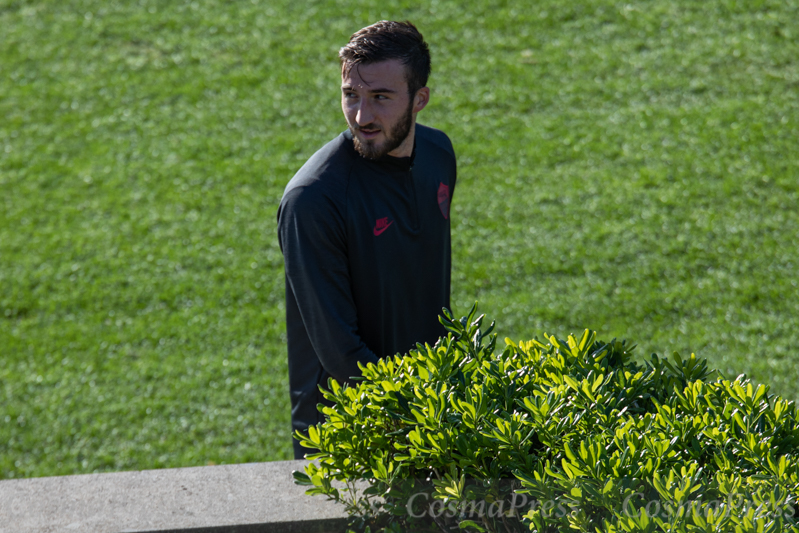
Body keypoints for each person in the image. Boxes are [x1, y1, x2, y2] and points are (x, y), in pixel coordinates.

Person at [277, 20, 457, 459]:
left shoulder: (438, 156)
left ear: (420, 100)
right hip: (348, 437)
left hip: (430, 419)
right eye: (350, 95)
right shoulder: (314, 199)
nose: (362, 116)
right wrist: (416, 413)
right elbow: (340, 351)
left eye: (380, 97)